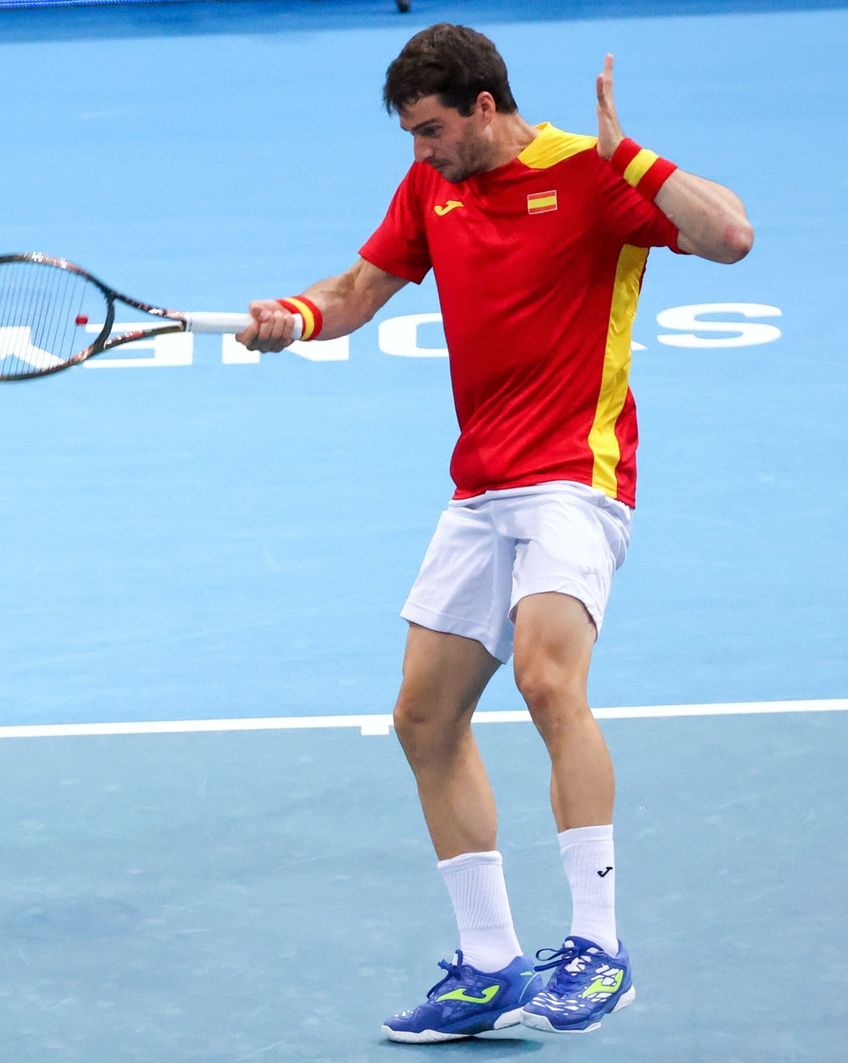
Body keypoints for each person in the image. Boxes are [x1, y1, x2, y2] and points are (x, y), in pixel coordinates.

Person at [238, 23, 751, 1042]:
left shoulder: (590, 176)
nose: (418, 151)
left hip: (574, 477)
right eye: (407, 134)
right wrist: (294, 316)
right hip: (480, 491)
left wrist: (629, 157)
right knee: (422, 721)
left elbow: (732, 235)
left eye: (429, 129)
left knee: (547, 677)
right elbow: (357, 290)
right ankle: (487, 965)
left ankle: (598, 949)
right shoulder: (430, 190)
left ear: (483, 106)